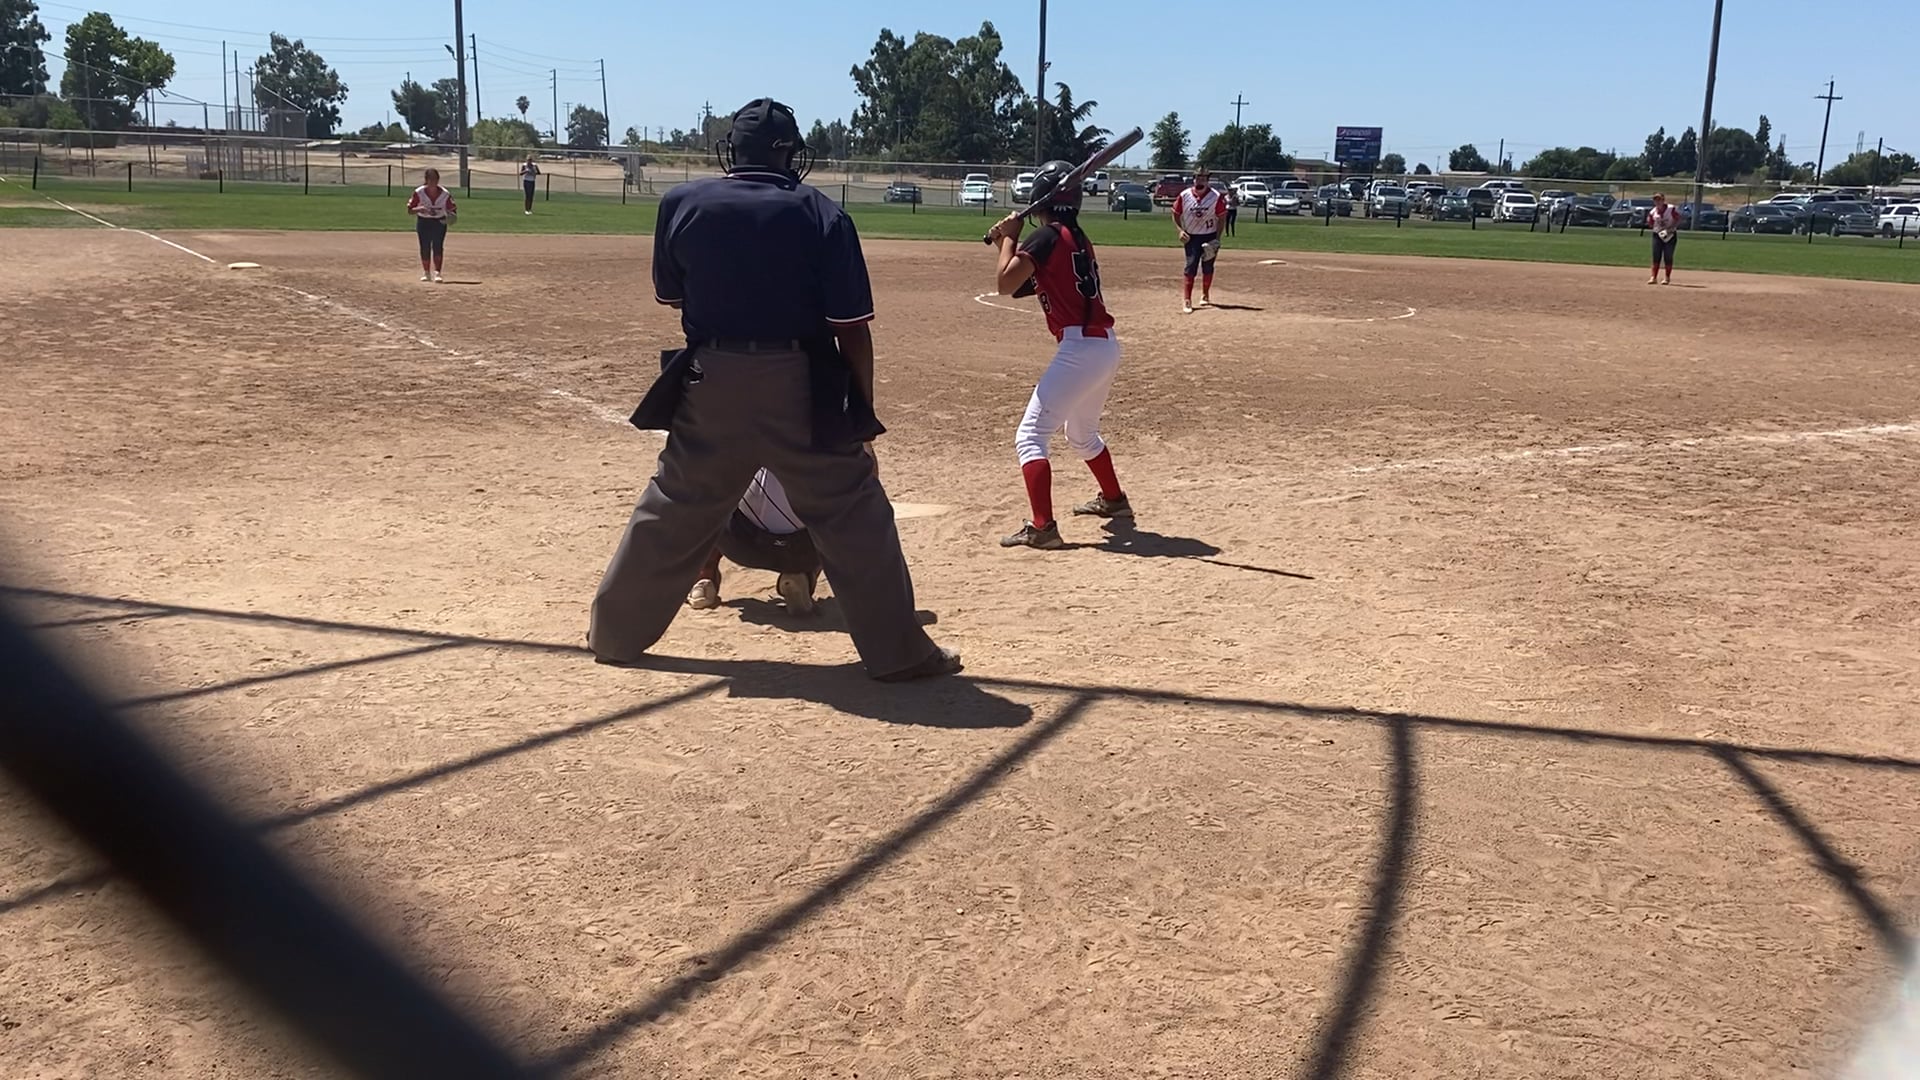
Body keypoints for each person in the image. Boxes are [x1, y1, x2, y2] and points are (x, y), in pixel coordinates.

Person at [588, 97, 959, 683]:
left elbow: (674, 298)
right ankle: (900, 655)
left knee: (673, 503)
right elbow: (851, 330)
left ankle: (613, 634)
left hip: (710, 378)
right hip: (799, 383)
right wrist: (859, 414)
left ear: (732, 151)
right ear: (790, 154)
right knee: (853, 513)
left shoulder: (681, 203)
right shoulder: (821, 212)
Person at [985, 159, 1131, 551]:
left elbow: (1004, 284)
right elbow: (1025, 285)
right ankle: (1114, 500)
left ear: (1040, 197)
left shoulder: (1046, 237)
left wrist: (1011, 238)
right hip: (1103, 346)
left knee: (1030, 436)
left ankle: (1043, 527)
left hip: (1080, 349)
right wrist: (1007, 244)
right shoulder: (1076, 237)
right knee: (1081, 434)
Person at [686, 467, 823, 615]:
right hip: (806, 550)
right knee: (833, 502)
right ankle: (802, 573)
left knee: (707, 475)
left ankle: (705, 572)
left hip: (741, 545)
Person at [1173, 168, 1226, 313]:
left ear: (1208, 181)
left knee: (1208, 266)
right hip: (1191, 236)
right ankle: (1187, 300)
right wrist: (1180, 230)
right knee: (1191, 266)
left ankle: (1205, 294)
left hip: (1209, 235)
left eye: (1203, 178)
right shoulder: (1184, 195)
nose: (1200, 181)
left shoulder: (1215, 196)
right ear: (1193, 179)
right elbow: (1175, 213)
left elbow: (1222, 217)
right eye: (1197, 178)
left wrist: (1217, 238)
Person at [406, 169, 455, 283]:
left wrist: (450, 217)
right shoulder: (419, 192)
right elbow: (410, 210)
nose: (433, 182)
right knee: (425, 246)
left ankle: (437, 273)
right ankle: (426, 272)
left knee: (438, 246)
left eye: (435, 179)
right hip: (424, 222)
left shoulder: (445, 194)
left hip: (439, 222)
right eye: (431, 179)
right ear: (426, 180)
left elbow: (452, 210)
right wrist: (420, 209)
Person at [1647, 192, 1679, 285]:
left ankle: (1667, 277)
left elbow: (1677, 219)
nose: (1657, 201)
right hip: (1658, 235)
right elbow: (1650, 223)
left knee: (1668, 256)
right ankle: (1653, 277)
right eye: (1655, 200)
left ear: (1663, 200)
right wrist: (1650, 222)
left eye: (1659, 199)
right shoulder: (1653, 212)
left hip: (1670, 234)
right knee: (1656, 256)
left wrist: (1670, 228)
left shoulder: (1671, 208)